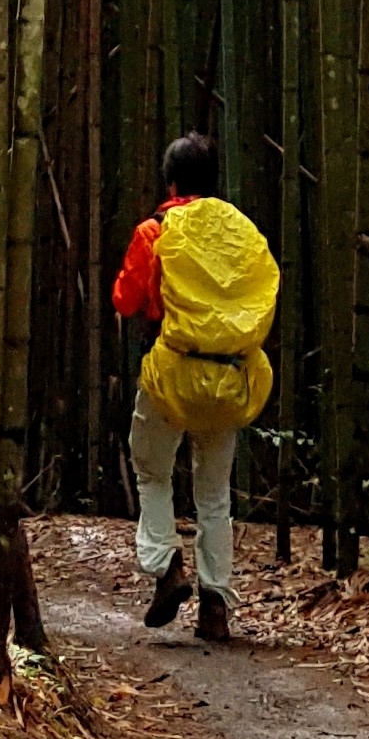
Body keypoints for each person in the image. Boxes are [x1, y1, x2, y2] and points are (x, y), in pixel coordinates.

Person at [113, 130, 277, 644]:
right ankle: (215, 605)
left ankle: (166, 567)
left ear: (171, 180)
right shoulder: (243, 232)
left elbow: (126, 298)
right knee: (214, 493)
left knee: (151, 468)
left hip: (174, 376)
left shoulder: (156, 231)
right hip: (230, 377)